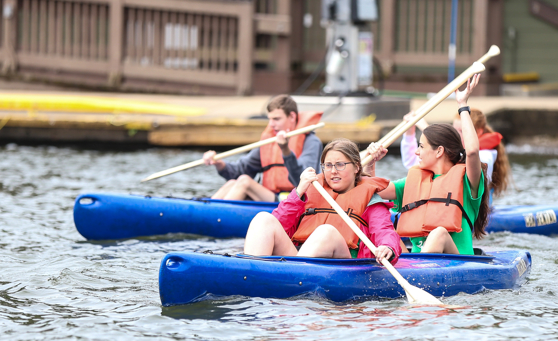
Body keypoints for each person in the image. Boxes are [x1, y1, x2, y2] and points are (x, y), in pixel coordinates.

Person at [366, 74, 490, 255]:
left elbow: (471, 151)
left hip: (457, 263)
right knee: (386, 233)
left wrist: (462, 105)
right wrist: (371, 162)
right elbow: (371, 193)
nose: (416, 152)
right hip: (413, 262)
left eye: (421, 146)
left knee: (439, 233)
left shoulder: (466, 180)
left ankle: (418, 268)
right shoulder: (412, 181)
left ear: (439, 151)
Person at [243, 139, 402, 264]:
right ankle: (250, 272)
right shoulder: (312, 190)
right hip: (298, 258)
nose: (333, 171)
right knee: (263, 219)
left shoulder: (370, 198)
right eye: (328, 165)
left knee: (327, 231)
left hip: (343, 263)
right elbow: (279, 226)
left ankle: (292, 277)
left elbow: (384, 230)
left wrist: (387, 247)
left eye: (340, 165)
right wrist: (298, 191)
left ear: (356, 168)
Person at [203, 95, 323, 202]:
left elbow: (302, 180)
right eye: (269, 119)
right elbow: (241, 171)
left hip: (296, 198)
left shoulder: (311, 142)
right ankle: (207, 212)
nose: (271, 124)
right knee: (232, 183)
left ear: (292, 116)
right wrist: (219, 164)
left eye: (276, 119)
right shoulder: (270, 140)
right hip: (271, 197)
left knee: (245, 181)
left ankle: (218, 217)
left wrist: (285, 150)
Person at [401, 108, 510, 206]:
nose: (456, 135)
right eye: (455, 130)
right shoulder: (450, 153)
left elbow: (468, 158)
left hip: (474, 208)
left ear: (478, 132)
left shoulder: (486, 156)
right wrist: (409, 133)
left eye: (461, 131)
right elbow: (412, 163)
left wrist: (427, 130)